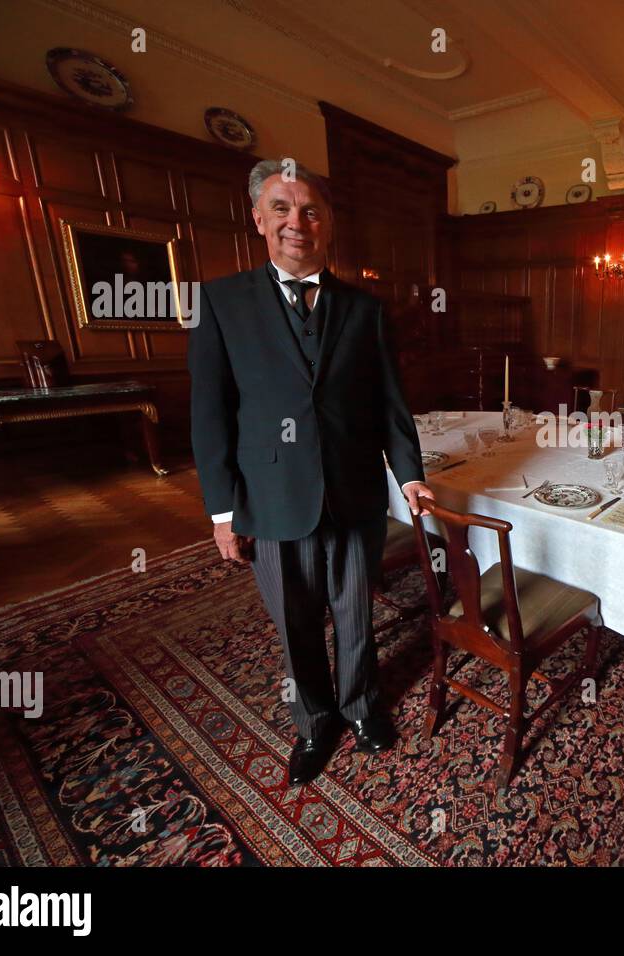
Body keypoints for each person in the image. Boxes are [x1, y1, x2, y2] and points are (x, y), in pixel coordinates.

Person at [188, 159, 434, 786]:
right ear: (258, 219)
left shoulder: (365, 309)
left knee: (355, 609)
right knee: (295, 623)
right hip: (270, 497)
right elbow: (211, 416)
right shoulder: (220, 302)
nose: (296, 222)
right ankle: (313, 720)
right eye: (281, 208)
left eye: (310, 210)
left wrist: (408, 475)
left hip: (354, 491)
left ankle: (361, 707)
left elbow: (390, 403)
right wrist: (223, 512)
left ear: (328, 224)